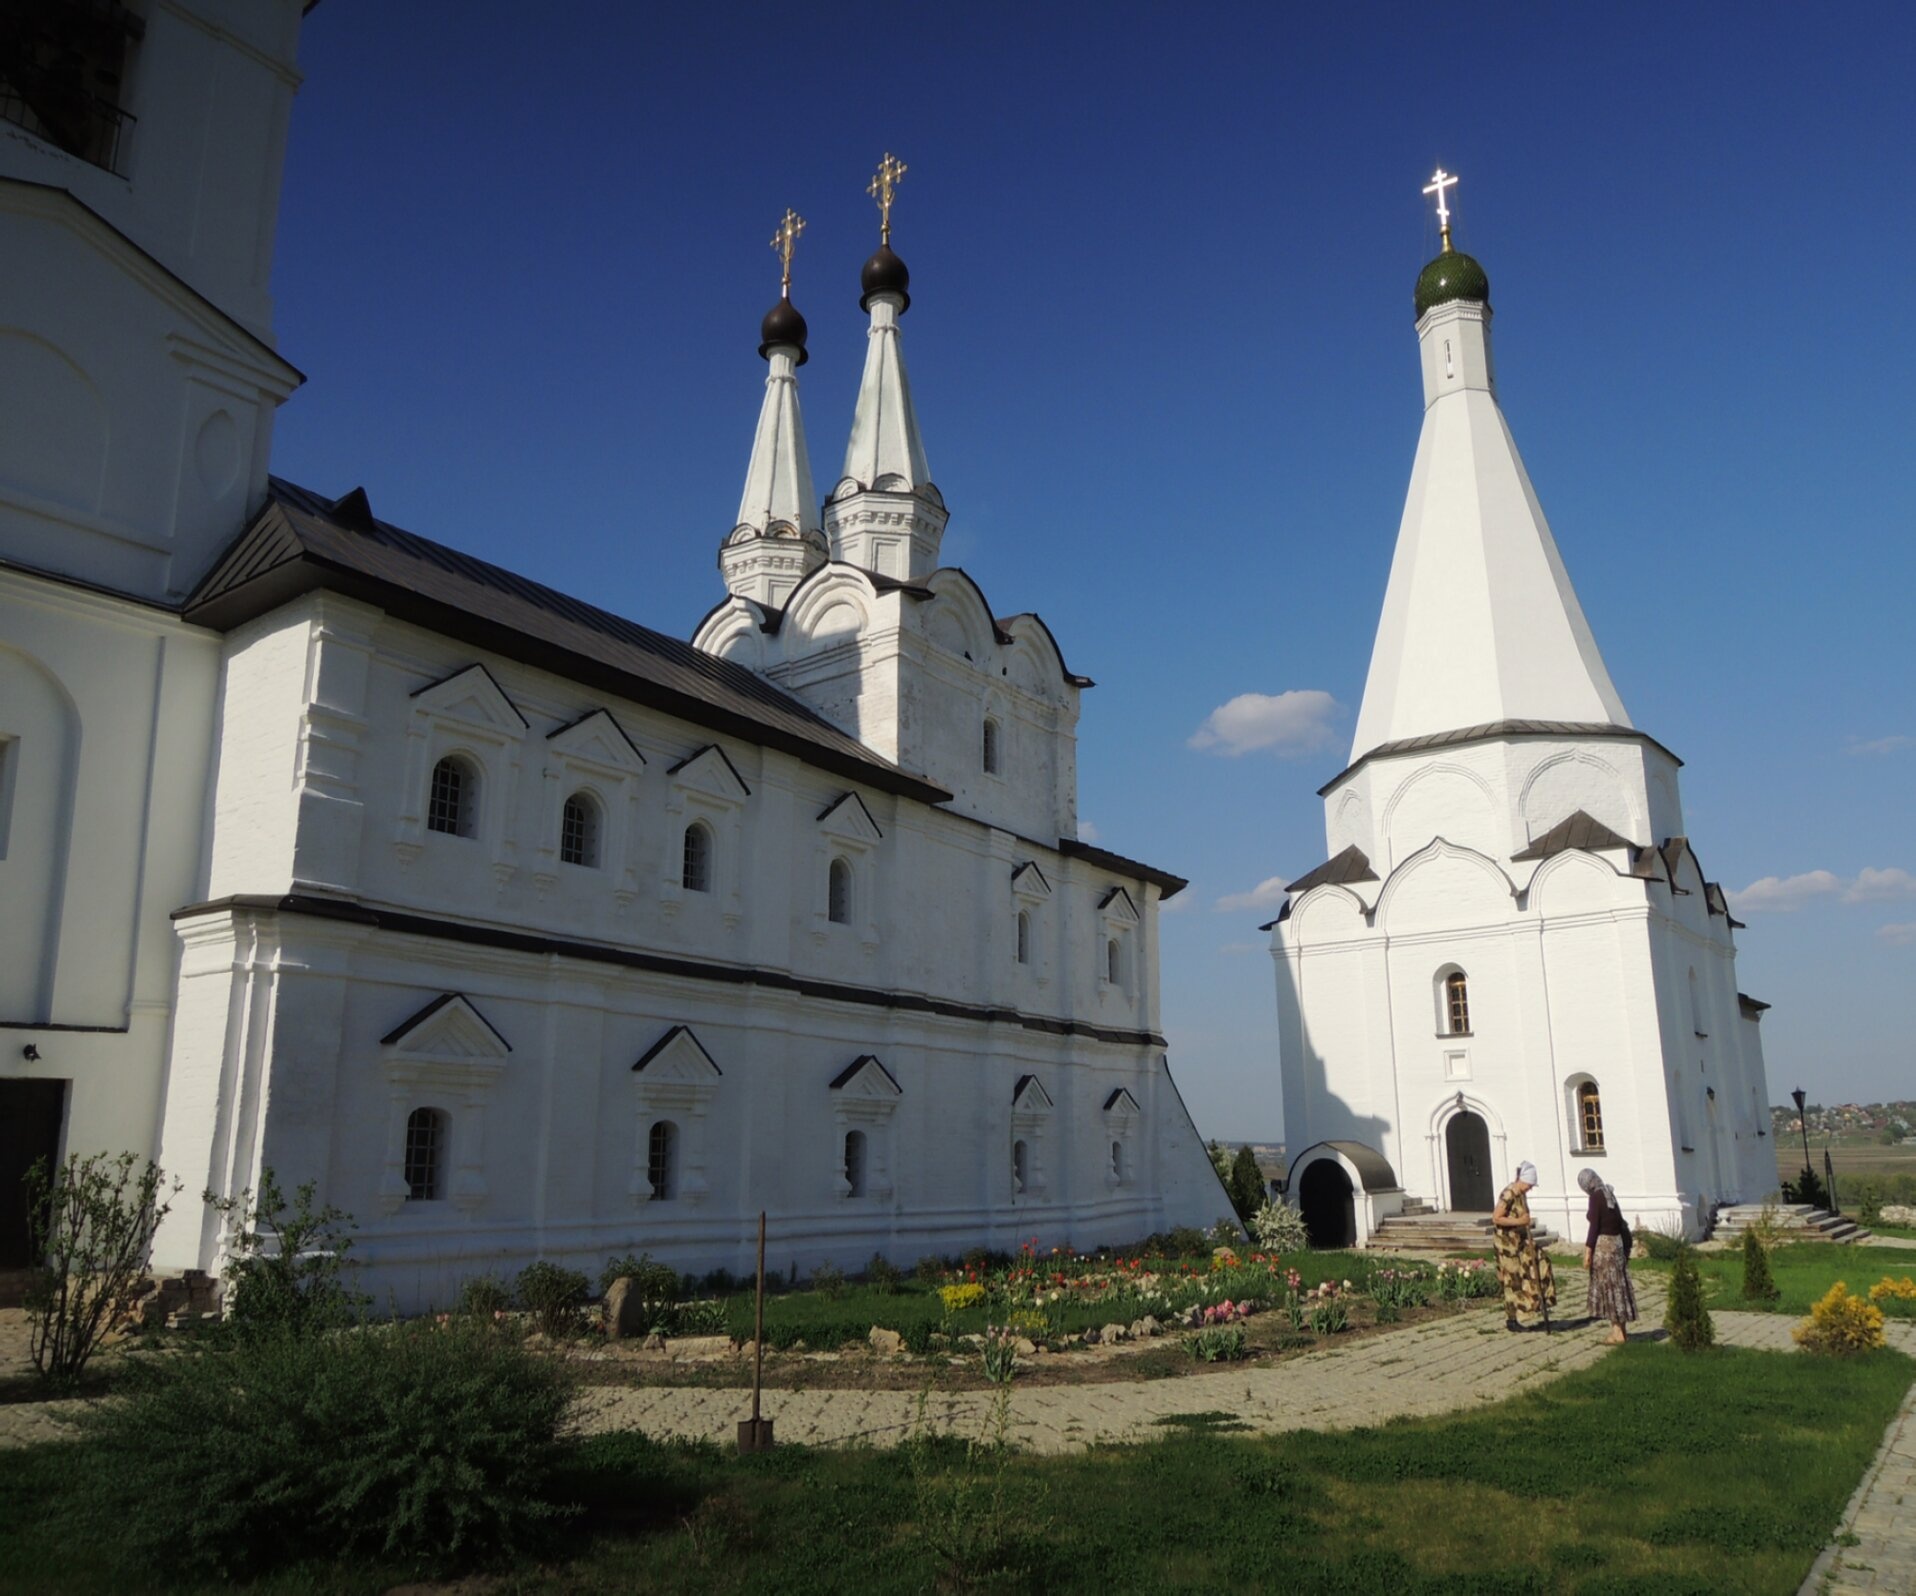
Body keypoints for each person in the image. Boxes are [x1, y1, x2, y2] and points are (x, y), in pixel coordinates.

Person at [1491, 1161, 1556, 1331]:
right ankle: (1512, 1320)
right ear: (1522, 1180)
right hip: (1506, 1245)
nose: (1530, 1188)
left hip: (1519, 1241)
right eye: (1529, 1185)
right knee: (1512, 1281)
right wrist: (1519, 1221)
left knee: (1541, 1262)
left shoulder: (1521, 1194)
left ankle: (1538, 1300)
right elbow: (1497, 1218)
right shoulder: (1509, 1194)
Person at [1578, 1167, 1637, 1344]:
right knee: (1619, 1288)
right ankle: (1622, 1331)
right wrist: (1627, 1246)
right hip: (1617, 1245)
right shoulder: (1609, 1193)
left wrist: (1588, 1251)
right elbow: (1620, 1221)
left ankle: (1617, 1333)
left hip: (1604, 1248)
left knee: (1609, 1289)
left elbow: (1594, 1225)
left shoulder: (1596, 1197)